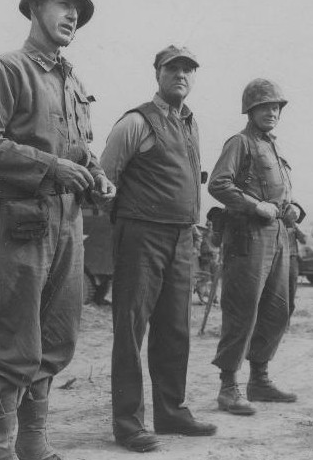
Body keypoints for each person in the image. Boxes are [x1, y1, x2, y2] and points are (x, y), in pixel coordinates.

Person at [0, 0, 115, 460]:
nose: (72, 14)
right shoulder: (8, 69)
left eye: (78, 8)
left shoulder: (72, 80)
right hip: (25, 220)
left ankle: (33, 442)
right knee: (15, 336)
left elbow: (79, 147)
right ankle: (0, 447)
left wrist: (95, 171)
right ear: (34, 6)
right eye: (61, 2)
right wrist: (52, 166)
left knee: (57, 335)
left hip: (69, 221)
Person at [101, 45, 217, 452]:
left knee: (175, 328)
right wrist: (131, 225)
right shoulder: (136, 122)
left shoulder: (190, 124)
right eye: (173, 68)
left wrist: (195, 228)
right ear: (157, 74)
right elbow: (105, 179)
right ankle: (128, 423)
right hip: (141, 235)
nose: (181, 75)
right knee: (131, 329)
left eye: (188, 69)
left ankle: (172, 411)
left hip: (182, 237)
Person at [208, 78, 304, 416]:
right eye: (266, 106)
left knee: (279, 307)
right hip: (248, 238)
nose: (273, 112)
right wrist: (253, 205)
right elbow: (218, 183)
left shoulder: (273, 147)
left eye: (277, 107)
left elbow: (283, 195)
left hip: (279, 236)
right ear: (251, 109)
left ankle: (259, 379)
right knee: (242, 309)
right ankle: (228, 386)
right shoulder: (241, 143)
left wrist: (294, 209)